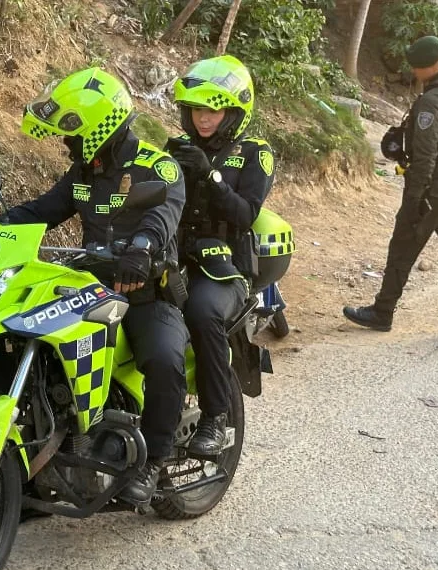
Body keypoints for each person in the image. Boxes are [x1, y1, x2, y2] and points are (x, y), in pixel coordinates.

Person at [0, 67, 188, 506]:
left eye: (71, 136)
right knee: (28, 349)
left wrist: (143, 248)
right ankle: (34, 473)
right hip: (89, 287)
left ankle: (153, 460)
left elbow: (163, 215)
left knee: (165, 359)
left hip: (145, 289)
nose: (65, 143)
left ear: (97, 129)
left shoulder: (158, 166)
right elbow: (42, 210)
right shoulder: (83, 173)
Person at [343, 36, 438, 344]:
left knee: (402, 247)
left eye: (415, 66)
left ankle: (382, 312)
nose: (412, 71)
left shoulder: (432, 100)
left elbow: (424, 158)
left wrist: (413, 201)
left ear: (427, 67)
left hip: (434, 189)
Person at [164, 55, 274, 456]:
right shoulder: (177, 147)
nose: (203, 119)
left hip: (224, 269)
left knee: (202, 313)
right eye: (196, 109)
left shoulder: (254, 153)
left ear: (232, 111)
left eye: (212, 109)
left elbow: (246, 214)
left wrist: (208, 175)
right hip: (171, 259)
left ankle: (214, 417)